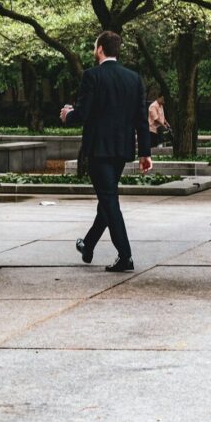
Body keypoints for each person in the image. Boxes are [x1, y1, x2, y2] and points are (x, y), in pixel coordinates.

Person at [61, 31, 152, 272]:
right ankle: (88, 244)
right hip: (122, 149)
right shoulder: (134, 79)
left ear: (100, 49)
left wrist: (67, 114)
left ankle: (125, 255)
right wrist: (145, 152)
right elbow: (141, 120)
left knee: (109, 199)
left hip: (99, 149)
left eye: (94, 47)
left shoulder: (92, 76)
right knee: (107, 198)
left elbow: (83, 113)